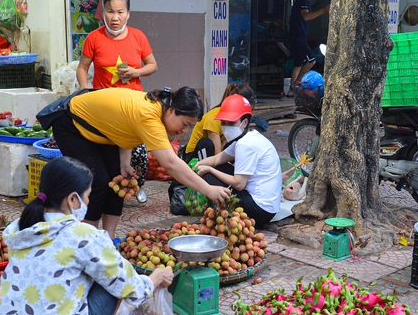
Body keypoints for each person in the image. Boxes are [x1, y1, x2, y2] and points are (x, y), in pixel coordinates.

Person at [0, 157, 174, 315]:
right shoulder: (82, 235)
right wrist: (156, 277)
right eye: (87, 195)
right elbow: (129, 286)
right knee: (112, 279)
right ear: (72, 199)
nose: (88, 201)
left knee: (94, 270)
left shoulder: (23, 228)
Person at [52, 87, 231, 238]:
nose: (184, 131)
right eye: (184, 124)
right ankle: (88, 241)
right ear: (170, 111)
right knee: (97, 182)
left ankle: (109, 238)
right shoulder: (150, 115)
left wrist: (125, 163)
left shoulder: (158, 109)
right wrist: (208, 189)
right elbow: (171, 163)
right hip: (71, 123)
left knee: (117, 180)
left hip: (101, 131)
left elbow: (125, 128)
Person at [192, 94, 282, 227]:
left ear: (244, 122)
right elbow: (217, 159)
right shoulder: (249, 137)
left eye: (231, 123)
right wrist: (197, 165)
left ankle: (221, 214)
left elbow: (239, 184)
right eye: (223, 123)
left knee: (210, 175)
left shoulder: (245, 144)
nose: (226, 127)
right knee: (216, 168)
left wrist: (209, 169)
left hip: (259, 209)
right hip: (270, 208)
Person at [76, 0, 157, 91]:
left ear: (128, 14)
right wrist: (84, 88)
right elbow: (82, 68)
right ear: (103, 13)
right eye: (110, 12)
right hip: (103, 99)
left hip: (133, 99)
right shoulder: (93, 37)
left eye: (120, 12)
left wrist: (136, 72)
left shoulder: (138, 36)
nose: (115, 18)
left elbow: (152, 65)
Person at [183, 83, 256, 162]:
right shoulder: (213, 119)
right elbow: (217, 156)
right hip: (194, 156)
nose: (246, 116)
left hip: (215, 153)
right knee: (207, 144)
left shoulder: (241, 122)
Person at [287, 0, 330, 94]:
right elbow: (306, 17)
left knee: (298, 64)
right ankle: (297, 83)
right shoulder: (303, 0)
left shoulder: (305, 0)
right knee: (311, 60)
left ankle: (291, 91)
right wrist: (323, 10)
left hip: (297, 36)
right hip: (298, 37)